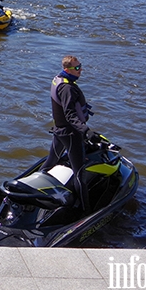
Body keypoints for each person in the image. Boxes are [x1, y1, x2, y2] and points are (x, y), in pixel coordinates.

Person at [40, 56, 98, 210]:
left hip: (59, 131)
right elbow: (70, 115)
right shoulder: (68, 89)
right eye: (77, 68)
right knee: (79, 174)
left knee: (50, 163)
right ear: (67, 69)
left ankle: (39, 187)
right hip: (71, 134)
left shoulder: (58, 80)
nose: (80, 70)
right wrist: (86, 131)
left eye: (80, 66)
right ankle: (85, 211)